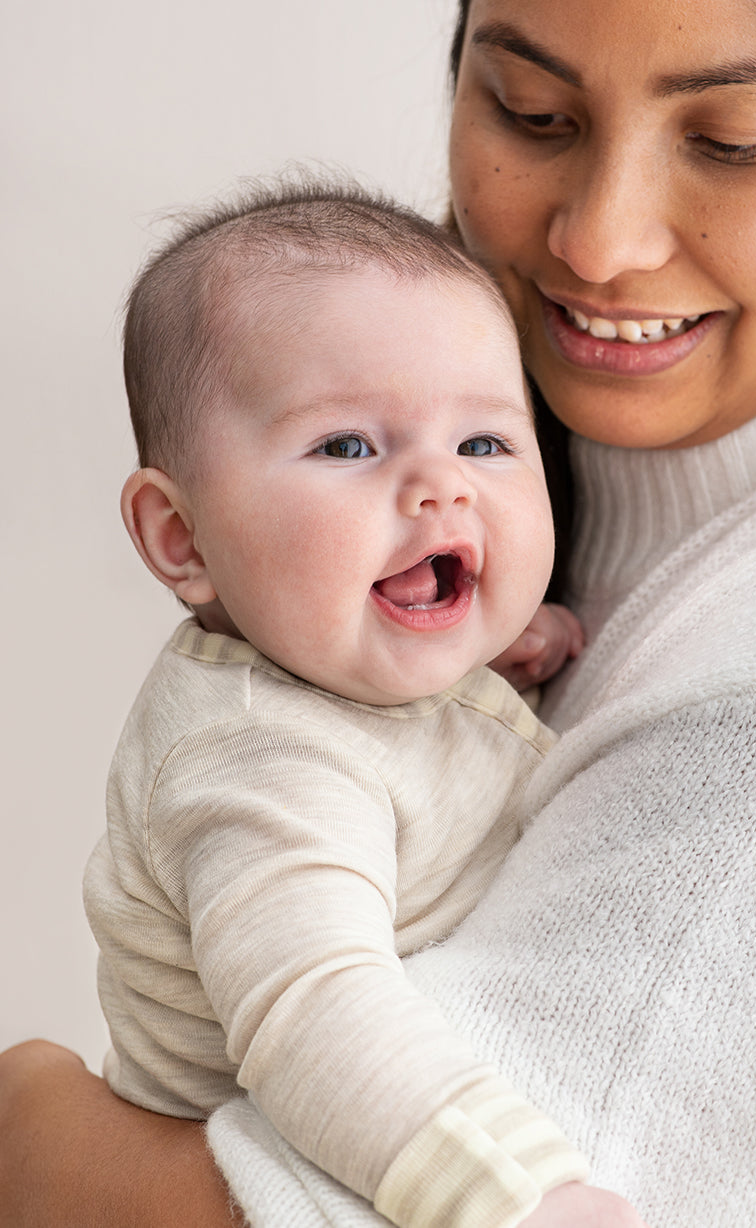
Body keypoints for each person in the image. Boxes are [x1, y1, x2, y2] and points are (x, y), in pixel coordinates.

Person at [0, 0, 756, 1223]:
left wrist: (17, 1137)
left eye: (728, 139)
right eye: (533, 112)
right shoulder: (497, 559)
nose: (599, 240)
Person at [75, 179, 647, 1228]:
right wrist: (519, 1198)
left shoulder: (334, 663)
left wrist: (475, 656)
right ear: (181, 537)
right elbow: (316, 1015)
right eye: (347, 446)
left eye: (483, 443)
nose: (441, 487)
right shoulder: (259, 766)